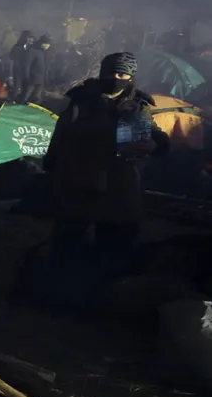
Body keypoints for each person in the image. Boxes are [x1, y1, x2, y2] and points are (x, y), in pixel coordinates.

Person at [44, 51, 169, 255]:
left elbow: (154, 133)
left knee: (115, 243)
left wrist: (155, 145)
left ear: (131, 77)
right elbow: (62, 133)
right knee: (67, 240)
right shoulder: (81, 99)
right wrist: (52, 163)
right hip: (79, 176)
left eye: (121, 74)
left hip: (120, 181)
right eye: (110, 73)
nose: (115, 78)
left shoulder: (138, 104)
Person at [20, 34, 51, 104]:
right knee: (25, 96)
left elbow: (45, 66)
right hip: (32, 79)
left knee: (37, 97)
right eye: (46, 43)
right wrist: (26, 78)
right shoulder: (32, 50)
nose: (47, 46)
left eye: (48, 44)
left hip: (41, 79)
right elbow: (26, 65)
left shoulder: (44, 52)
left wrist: (46, 78)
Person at [9, 31, 35, 101]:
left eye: (31, 38)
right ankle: (14, 100)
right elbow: (11, 56)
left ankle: (22, 100)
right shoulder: (17, 46)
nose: (31, 40)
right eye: (29, 37)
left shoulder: (32, 48)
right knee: (16, 86)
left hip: (28, 70)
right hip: (18, 69)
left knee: (26, 87)